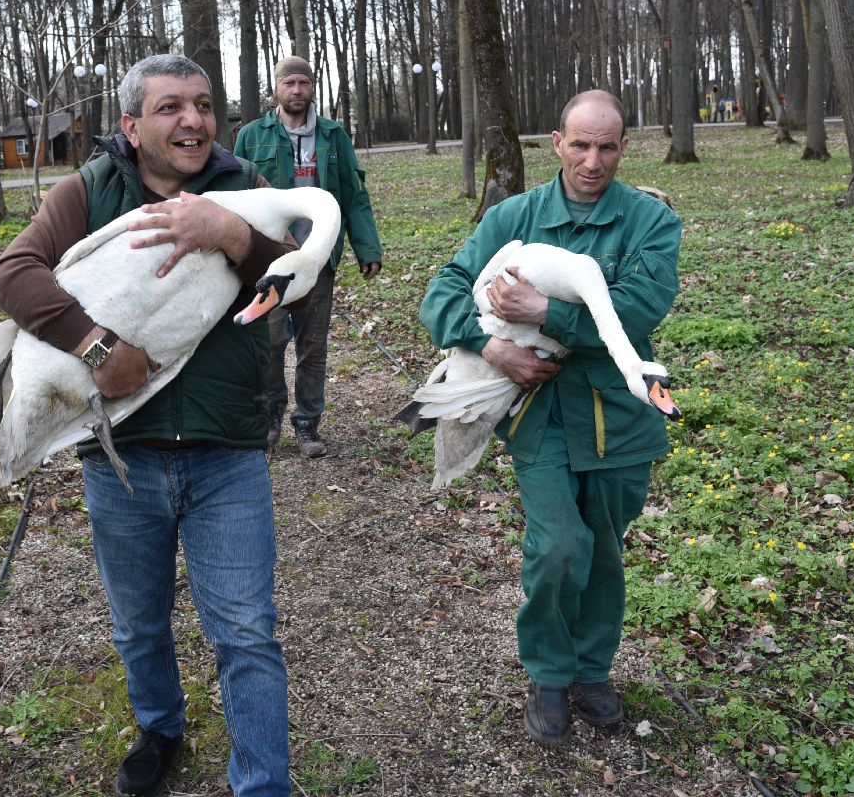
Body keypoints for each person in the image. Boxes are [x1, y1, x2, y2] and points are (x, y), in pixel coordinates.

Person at [0, 55, 293, 797]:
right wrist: (97, 351)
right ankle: (161, 730)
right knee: (138, 623)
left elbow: (298, 277)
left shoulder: (248, 190)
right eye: (168, 108)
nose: (190, 121)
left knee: (248, 634)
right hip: (124, 462)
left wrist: (231, 234)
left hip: (227, 455)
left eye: (201, 105)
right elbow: (11, 274)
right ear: (131, 126)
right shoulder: (90, 191)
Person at [416, 90, 681, 747]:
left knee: (604, 553)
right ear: (557, 143)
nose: (593, 161)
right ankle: (549, 673)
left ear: (624, 147)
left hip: (620, 416)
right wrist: (493, 346)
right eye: (580, 145)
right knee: (559, 546)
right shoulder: (515, 216)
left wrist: (546, 314)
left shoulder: (649, 221)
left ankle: (592, 673)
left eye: (608, 146)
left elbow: (640, 312)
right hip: (541, 415)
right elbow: (443, 291)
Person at [233, 56, 382, 458]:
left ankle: (307, 425)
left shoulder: (334, 136)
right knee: (269, 344)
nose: (297, 90)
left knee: (312, 348)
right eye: (289, 83)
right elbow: (239, 199)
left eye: (304, 82)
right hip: (271, 263)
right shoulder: (252, 136)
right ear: (276, 88)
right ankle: (269, 421)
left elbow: (353, 195)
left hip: (318, 262)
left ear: (312, 87)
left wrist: (367, 248)